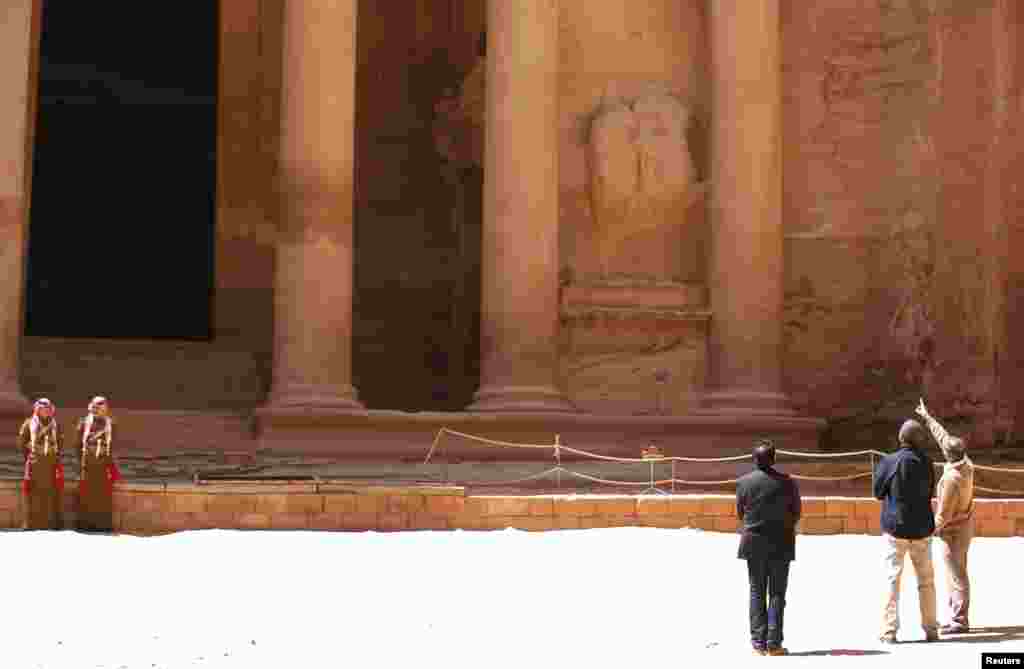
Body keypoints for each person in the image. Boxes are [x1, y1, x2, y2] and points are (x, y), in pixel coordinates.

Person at [873, 419, 938, 643]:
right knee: (926, 581)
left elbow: (877, 492)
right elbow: (930, 492)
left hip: (895, 528)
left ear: (901, 438)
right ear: (919, 440)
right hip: (921, 529)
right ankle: (931, 629)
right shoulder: (927, 463)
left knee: (892, 579)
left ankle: (889, 631)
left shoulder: (889, 462)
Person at [736, 439, 802, 656]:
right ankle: (774, 644)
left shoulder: (744, 482)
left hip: (753, 542)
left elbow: (740, 513)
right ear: (774, 459)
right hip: (781, 542)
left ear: (754, 460)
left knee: (756, 591)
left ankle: (758, 644)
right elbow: (796, 513)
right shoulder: (788, 482)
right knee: (777, 593)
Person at [916, 399, 974, 634]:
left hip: (954, 532)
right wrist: (928, 418)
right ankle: (955, 615)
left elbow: (943, 515)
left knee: (957, 574)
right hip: (965, 526)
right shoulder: (966, 462)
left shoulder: (952, 480)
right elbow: (944, 438)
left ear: (948, 456)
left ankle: (959, 621)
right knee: (956, 571)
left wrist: (927, 532)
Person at [17, 398, 65, 530]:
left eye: (48, 409)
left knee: (50, 493)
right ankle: (30, 523)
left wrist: (54, 457)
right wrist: (30, 457)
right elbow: (22, 443)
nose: (45, 411)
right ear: (37, 410)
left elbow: (60, 443)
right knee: (32, 494)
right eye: (43, 409)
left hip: (50, 463)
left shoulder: (56, 425)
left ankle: (50, 523)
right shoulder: (28, 423)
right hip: (35, 463)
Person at [76, 396, 120, 533]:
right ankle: (85, 525)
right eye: (96, 407)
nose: (99, 410)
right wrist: (85, 459)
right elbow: (77, 445)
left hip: (103, 466)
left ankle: (103, 525)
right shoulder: (84, 423)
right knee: (86, 496)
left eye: (102, 407)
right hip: (88, 466)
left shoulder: (111, 424)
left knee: (103, 497)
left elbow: (112, 446)